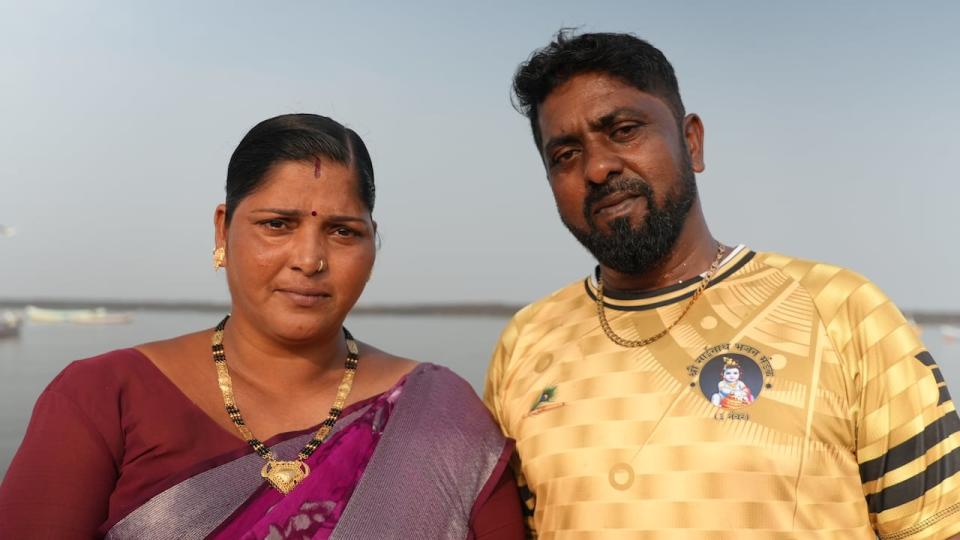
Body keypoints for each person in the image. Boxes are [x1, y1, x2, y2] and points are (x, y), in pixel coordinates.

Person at [484, 31, 960, 539]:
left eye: (623, 130)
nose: (598, 167)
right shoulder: (526, 342)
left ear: (692, 142)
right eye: (565, 155)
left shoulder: (842, 310)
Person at [0, 114, 524, 539]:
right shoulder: (103, 398)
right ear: (223, 229)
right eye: (278, 225)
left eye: (342, 231)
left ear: (372, 242)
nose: (310, 258)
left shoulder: (442, 413)